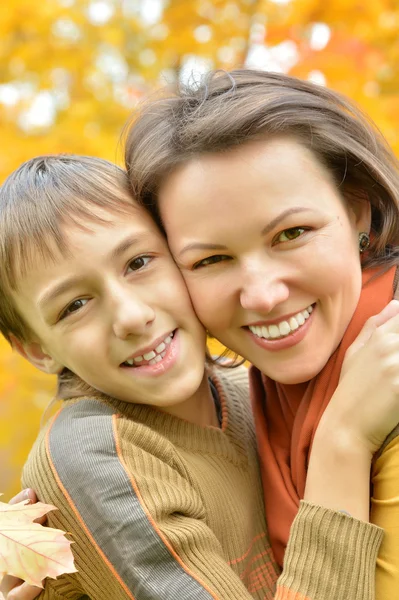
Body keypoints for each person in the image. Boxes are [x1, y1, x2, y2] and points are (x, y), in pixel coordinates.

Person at [0, 154, 391, 600]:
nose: (131, 315)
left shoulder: (251, 388)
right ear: (37, 349)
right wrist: (343, 439)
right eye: (74, 306)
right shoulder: (92, 454)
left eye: (139, 262)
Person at [121, 68, 399, 598]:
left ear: (357, 211)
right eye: (211, 259)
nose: (263, 295)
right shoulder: (265, 398)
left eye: (291, 234)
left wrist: (344, 439)